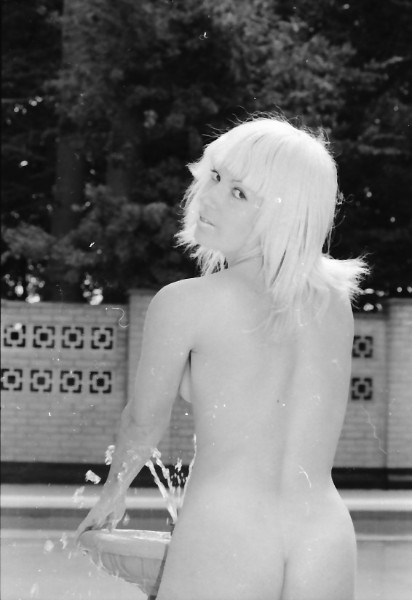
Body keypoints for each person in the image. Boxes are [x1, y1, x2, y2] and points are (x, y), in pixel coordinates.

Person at [76, 116, 367, 600]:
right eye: (215, 176)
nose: (208, 198)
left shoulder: (185, 302)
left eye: (239, 193)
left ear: (282, 213)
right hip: (324, 536)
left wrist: (113, 494)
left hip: (227, 530)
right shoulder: (334, 304)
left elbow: (143, 422)